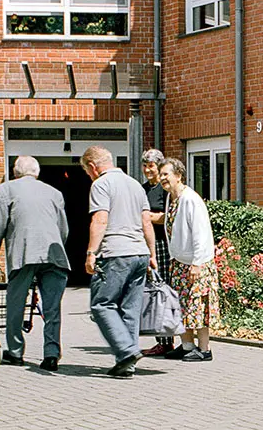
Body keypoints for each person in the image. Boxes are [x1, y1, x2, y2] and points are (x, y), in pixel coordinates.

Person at [0, 155, 70, 372]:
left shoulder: (5, 190)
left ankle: (16, 352)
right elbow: (63, 230)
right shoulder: (55, 193)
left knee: (16, 305)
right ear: (37, 173)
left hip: (24, 254)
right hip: (54, 255)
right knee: (52, 308)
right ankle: (51, 353)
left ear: (15, 172)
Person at [81, 145, 157, 377]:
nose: (89, 175)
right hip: (140, 253)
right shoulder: (135, 184)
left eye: (87, 171)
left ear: (93, 167)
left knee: (101, 304)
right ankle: (127, 364)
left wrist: (91, 252)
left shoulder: (101, 184)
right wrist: (152, 253)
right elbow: (146, 221)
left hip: (116, 253)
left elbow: (100, 220)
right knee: (130, 310)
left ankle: (126, 351)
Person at [159, 157, 220, 362]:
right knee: (181, 306)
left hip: (196, 262)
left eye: (166, 174)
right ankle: (187, 346)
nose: (162, 178)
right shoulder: (171, 198)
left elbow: (201, 233)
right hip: (179, 261)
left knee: (198, 305)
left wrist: (197, 263)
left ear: (178, 175)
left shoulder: (190, 199)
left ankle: (204, 349)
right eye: (161, 175)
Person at [138, 149, 177, 358]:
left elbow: (166, 217)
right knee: (151, 290)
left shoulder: (164, 190)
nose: (147, 170)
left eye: (151, 166)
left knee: (162, 288)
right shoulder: (142, 189)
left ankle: (167, 340)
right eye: (145, 166)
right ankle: (162, 340)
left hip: (162, 244)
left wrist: (147, 217)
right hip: (144, 244)